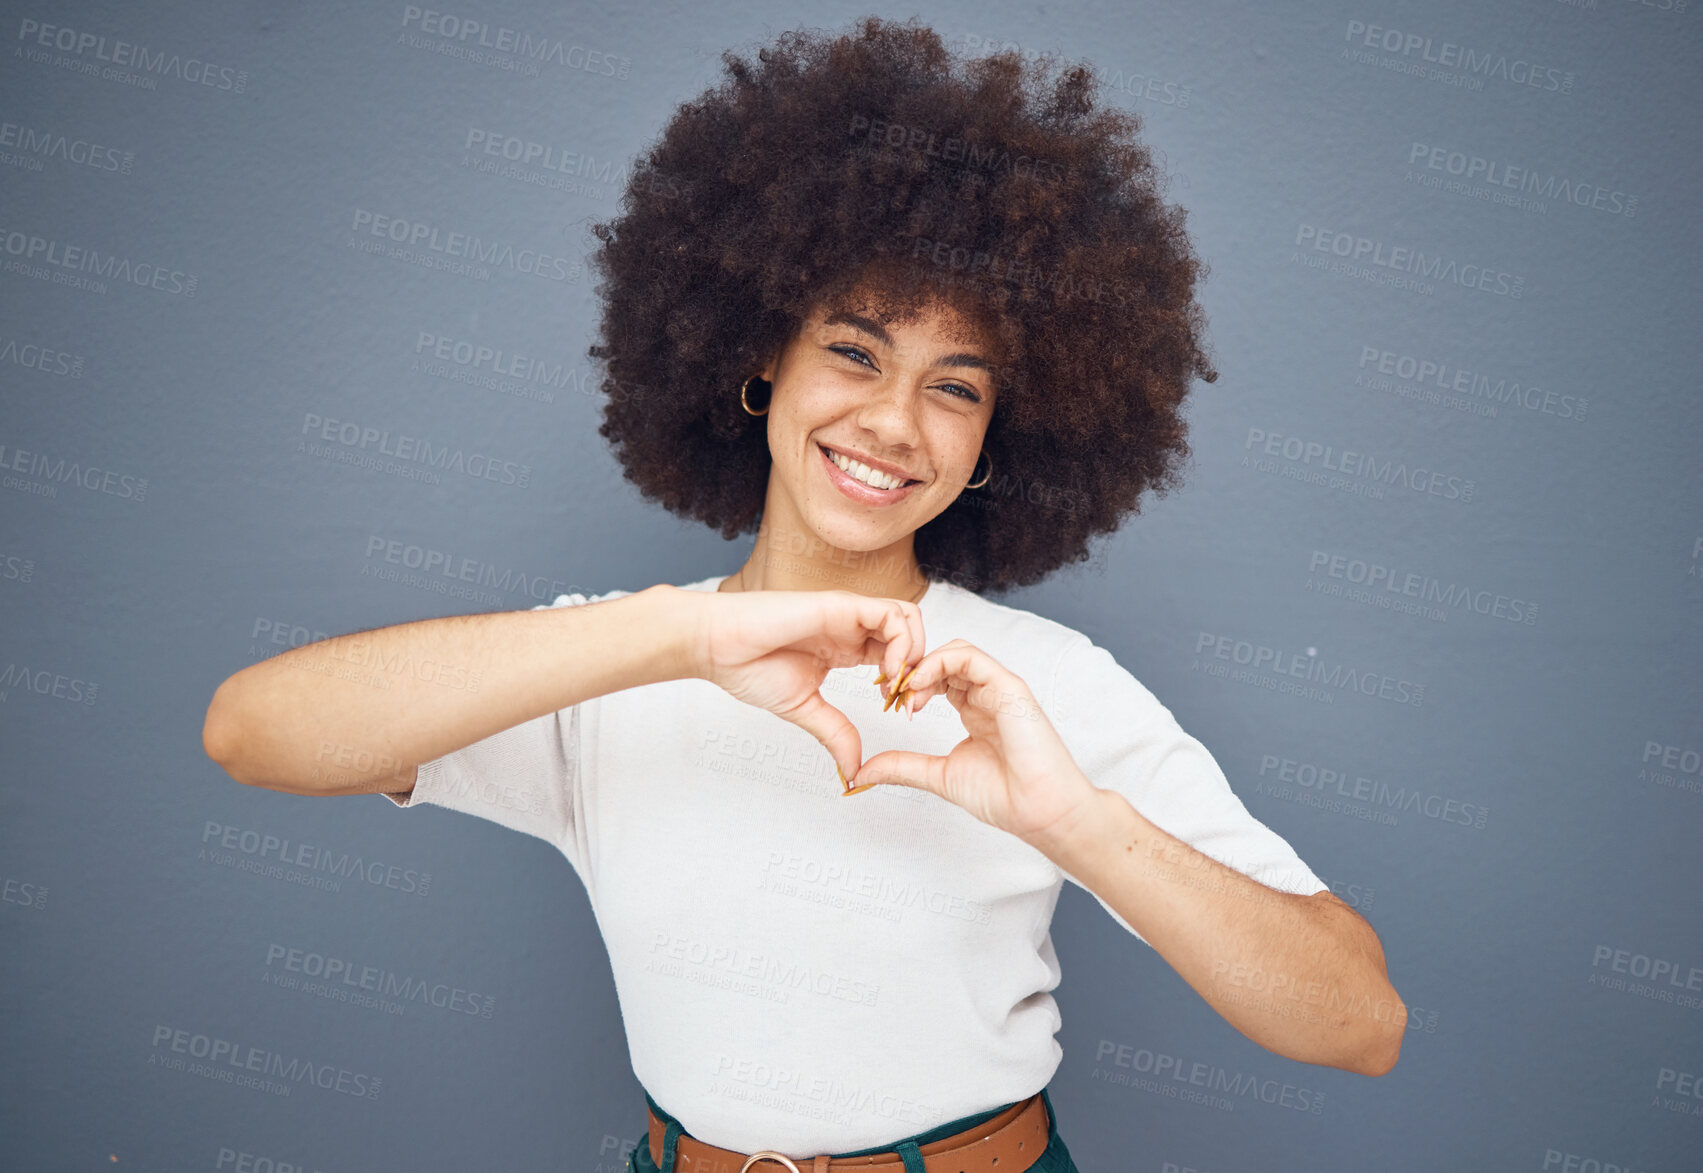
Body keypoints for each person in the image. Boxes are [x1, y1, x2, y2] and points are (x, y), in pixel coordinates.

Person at [202, 17, 1403, 1173]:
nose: (889, 422)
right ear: (760, 354)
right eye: (853, 350)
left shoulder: (1045, 688)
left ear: (996, 440)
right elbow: (252, 734)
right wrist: (677, 633)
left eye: (954, 386)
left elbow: (1358, 1023)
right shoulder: (619, 664)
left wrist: (1072, 821)